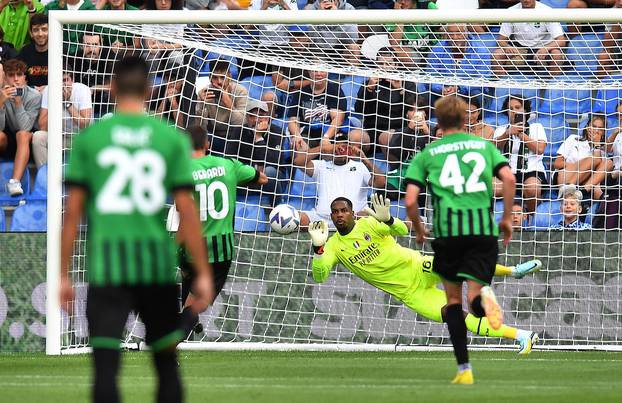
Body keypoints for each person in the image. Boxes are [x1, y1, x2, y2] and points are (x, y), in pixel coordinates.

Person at [60, 56, 214, 403]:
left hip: (108, 267)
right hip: (155, 268)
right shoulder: (170, 139)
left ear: (112, 88)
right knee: (165, 365)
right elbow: (187, 211)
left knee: (104, 369)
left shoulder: (91, 138)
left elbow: (72, 212)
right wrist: (202, 273)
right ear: (149, 90)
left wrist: (62, 274)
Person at [310, 196, 540, 353]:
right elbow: (320, 276)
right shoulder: (331, 246)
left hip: (416, 265)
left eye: (344, 211)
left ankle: (513, 271)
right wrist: (318, 249)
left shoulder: (369, 224)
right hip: (410, 292)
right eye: (336, 212)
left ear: (352, 213)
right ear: (331, 216)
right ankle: (522, 335)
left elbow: (401, 230)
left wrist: (388, 219)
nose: (340, 215)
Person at [404, 96, 516, 384]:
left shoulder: (428, 152)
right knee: (475, 297)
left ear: (438, 123)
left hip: (449, 233)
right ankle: (484, 299)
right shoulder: (483, 146)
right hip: (482, 231)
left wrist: (417, 228)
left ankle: (464, 370)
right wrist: (505, 218)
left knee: (453, 301)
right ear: (466, 119)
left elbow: (411, 201)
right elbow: (509, 179)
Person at [171, 125, 268, 335]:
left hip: (191, 247)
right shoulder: (228, 165)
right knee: (196, 305)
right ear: (207, 144)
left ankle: (187, 321)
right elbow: (262, 178)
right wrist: (234, 182)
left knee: (190, 291)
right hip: (219, 250)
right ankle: (169, 341)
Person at [293, 132, 386, 229]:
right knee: (297, 218)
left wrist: (364, 159)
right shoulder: (322, 165)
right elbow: (298, 162)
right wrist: (323, 149)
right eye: (337, 146)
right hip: (322, 219)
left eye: (344, 146)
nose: (340, 149)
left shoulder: (361, 166)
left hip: (353, 219)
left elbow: (381, 183)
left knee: (366, 216)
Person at [493, 95, 548, 213]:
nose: (514, 111)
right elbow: (493, 148)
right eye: (510, 108)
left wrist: (521, 135)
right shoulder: (501, 129)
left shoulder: (536, 127)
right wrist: (507, 134)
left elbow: (540, 149)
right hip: (507, 173)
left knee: (532, 188)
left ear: (525, 110)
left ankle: (532, 218)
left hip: (531, 172)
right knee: (489, 186)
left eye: (517, 107)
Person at [34, 71, 93, 168]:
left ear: (72, 80)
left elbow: (84, 125)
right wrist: (56, 100)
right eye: (58, 81)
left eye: (65, 80)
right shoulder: (49, 90)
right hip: (58, 137)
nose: (62, 85)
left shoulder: (83, 89)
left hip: (81, 138)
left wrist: (67, 102)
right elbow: (42, 126)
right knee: (38, 137)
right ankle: (45, 177)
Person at [0, 58, 41, 196]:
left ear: (24, 77)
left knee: (22, 134)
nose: (15, 79)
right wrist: (1, 103)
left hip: (27, 141)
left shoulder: (34, 96)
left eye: (19, 75)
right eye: (11, 75)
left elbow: (25, 126)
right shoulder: (1, 94)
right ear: (5, 78)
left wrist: (18, 103)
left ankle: (15, 182)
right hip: (8, 139)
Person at [492, 0, 566, 76]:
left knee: (557, 55)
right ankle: (502, 84)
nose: (526, 0)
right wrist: (507, 46)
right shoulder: (511, 11)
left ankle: (552, 84)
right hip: (520, 49)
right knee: (496, 54)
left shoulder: (547, 11)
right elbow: (501, 40)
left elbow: (561, 40)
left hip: (543, 48)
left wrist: (545, 48)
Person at [554, 114, 612, 201]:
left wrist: (596, 144)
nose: (596, 131)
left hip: (586, 183)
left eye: (600, 128)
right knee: (591, 159)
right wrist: (581, 166)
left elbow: (597, 172)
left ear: (603, 132)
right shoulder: (574, 139)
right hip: (565, 176)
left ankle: (582, 192)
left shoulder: (602, 151)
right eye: (594, 126)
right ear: (587, 126)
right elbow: (557, 163)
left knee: (608, 163)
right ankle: (568, 188)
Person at [16, 12, 47, 90]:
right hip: (29, 95)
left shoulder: (60, 51)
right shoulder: (25, 52)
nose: (40, 34)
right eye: (36, 30)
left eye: (44, 29)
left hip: (54, 95)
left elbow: (67, 81)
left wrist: (47, 89)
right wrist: (33, 89)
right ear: (31, 33)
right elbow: (16, 80)